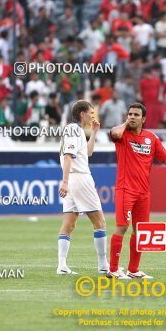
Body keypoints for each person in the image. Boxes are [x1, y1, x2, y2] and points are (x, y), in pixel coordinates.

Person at [107, 102, 166, 279]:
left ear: (144, 119)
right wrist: (126, 123)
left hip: (144, 192)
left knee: (140, 230)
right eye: (130, 114)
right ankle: (113, 269)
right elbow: (115, 133)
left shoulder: (151, 138)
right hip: (126, 189)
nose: (132, 117)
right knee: (122, 227)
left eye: (136, 115)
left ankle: (133, 270)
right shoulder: (122, 134)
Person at [57, 100, 109, 275]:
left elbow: (87, 152)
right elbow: (68, 157)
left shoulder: (77, 130)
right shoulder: (73, 129)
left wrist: (93, 133)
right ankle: (103, 265)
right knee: (100, 222)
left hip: (72, 180)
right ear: (82, 114)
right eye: (90, 113)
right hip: (79, 178)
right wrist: (64, 182)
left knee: (69, 224)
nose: (92, 116)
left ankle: (62, 265)